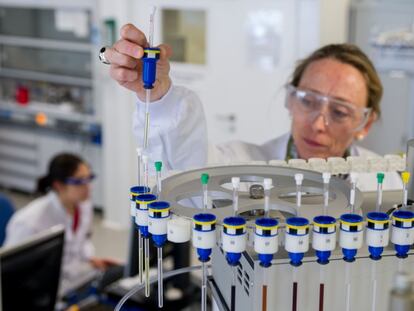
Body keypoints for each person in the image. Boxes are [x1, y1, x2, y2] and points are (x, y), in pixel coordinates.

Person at [103, 24, 402, 191]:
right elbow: (187, 171)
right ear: (289, 99)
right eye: (308, 100)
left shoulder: (385, 181)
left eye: (339, 112)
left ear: (365, 124)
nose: (319, 123)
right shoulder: (244, 167)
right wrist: (157, 94)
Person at [4, 153, 117, 294]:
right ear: (59, 186)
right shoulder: (29, 221)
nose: (88, 187)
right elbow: (11, 273)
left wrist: (91, 259)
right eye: (79, 182)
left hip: (78, 277)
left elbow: (82, 240)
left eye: (89, 178)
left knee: (120, 278)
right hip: (47, 290)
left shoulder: (83, 205)